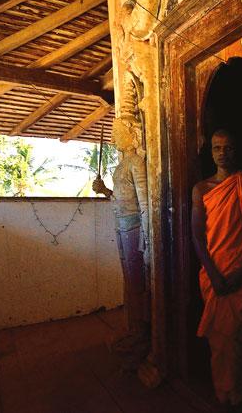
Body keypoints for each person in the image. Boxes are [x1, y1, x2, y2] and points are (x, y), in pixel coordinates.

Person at [191, 129, 242, 408]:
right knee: (221, 339)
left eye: (228, 148)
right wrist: (214, 275)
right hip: (214, 274)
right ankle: (224, 391)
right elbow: (197, 236)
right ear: (211, 152)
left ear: (235, 150)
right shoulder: (201, 189)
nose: (223, 153)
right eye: (217, 148)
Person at [93, 111, 151, 369]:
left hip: (134, 227)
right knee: (129, 281)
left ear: (130, 134)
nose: (116, 136)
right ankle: (135, 329)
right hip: (121, 223)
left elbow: (145, 202)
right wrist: (105, 190)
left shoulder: (136, 162)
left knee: (137, 282)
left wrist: (147, 234)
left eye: (119, 132)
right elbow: (121, 198)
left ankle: (142, 333)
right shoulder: (121, 165)